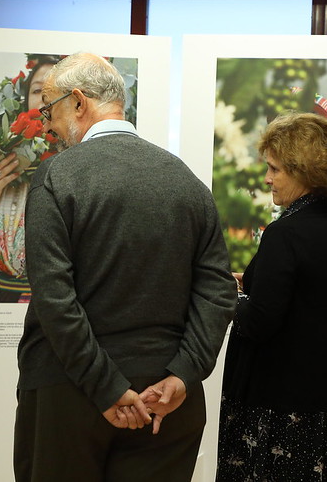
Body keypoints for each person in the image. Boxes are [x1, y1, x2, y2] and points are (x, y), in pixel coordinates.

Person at [14, 53, 237, 481]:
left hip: (70, 395)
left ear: (79, 102)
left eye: (49, 109)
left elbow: (54, 297)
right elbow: (218, 291)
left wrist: (108, 387)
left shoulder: (58, 177)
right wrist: (184, 375)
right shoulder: (186, 181)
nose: (47, 124)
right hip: (166, 401)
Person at [215, 112, 327, 482]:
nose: (267, 178)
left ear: (304, 170)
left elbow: (259, 322)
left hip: (279, 412)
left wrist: (224, 293)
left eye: (275, 169)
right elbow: (313, 300)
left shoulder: (285, 233)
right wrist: (250, 284)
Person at [0, 55, 59, 303]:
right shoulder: (1, 161)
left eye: (56, 90)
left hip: (62, 308)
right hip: (3, 305)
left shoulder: (84, 161)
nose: (45, 98)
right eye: (38, 90)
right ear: (25, 99)